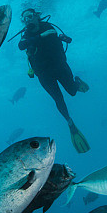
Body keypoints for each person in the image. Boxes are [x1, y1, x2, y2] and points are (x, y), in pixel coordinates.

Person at [18, 8, 90, 153]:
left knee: (72, 92)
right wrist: (38, 37)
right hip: (44, 74)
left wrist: (61, 38)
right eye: (24, 19)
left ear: (36, 17)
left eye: (30, 16)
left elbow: (51, 34)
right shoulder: (25, 34)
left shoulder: (47, 27)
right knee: (58, 98)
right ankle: (70, 123)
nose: (28, 20)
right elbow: (21, 46)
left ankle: (76, 82)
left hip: (59, 66)